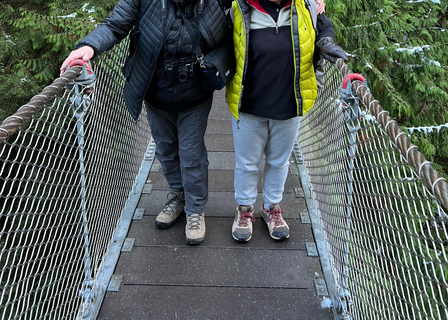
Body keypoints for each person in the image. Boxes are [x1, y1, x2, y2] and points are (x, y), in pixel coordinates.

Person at [60, 0, 232, 245]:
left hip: (195, 93)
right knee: (165, 149)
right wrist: (89, 46)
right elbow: (115, 25)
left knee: (191, 152)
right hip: (156, 91)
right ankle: (178, 196)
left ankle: (195, 210)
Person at [226, 0, 347, 242]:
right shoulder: (239, 7)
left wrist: (326, 43)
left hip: (290, 102)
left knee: (279, 161)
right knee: (247, 163)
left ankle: (272, 208)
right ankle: (244, 209)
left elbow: (324, 27)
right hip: (249, 102)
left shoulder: (307, 6)